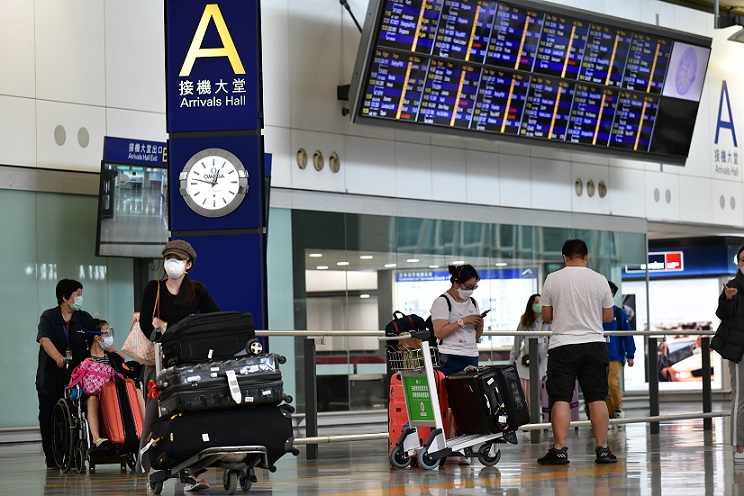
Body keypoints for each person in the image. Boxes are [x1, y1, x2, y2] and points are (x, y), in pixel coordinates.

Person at [137, 240, 220, 491]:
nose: (172, 263)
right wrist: (157, 336)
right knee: (156, 410)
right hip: (160, 360)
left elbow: (215, 315)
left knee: (191, 412)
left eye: (178, 259)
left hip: (188, 363)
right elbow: (144, 322)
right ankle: (151, 461)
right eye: (169, 257)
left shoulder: (196, 290)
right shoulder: (155, 288)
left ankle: (192, 471)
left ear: (188, 264)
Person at [538, 239, 617, 465]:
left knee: (561, 398)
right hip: (594, 344)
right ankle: (602, 449)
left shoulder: (553, 279)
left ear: (564, 257)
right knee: (596, 397)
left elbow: (545, 316)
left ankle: (560, 450)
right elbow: (609, 316)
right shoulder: (599, 279)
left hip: (563, 345)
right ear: (586, 256)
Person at [36, 278, 93, 469]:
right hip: (51, 376)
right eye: (78, 294)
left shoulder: (83, 317)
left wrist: (111, 345)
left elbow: (98, 333)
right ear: (65, 297)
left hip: (75, 377)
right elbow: (44, 340)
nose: (80, 298)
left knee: (77, 415)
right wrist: (59, 358)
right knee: (48, 418)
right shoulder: (49, 317)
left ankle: (76, 454)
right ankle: (52, 459)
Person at [430, 264, 483, 466]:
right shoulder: (442, 302)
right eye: (468, 286)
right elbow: (439, 333)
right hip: (450, 357)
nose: (470, 290)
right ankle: (446, 443)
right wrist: (463, 321)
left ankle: (463, 444)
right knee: (449, 403)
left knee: (468, 404)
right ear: (456, 283)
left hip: (471, 355)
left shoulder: (473, 302)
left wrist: (479, 325)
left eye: (474, 287)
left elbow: (477, 337)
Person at [68, 319, 145, 448]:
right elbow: (66, 377)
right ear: (96, 337)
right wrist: (82, 365)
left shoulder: (112, 357)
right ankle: (97, 439)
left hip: (113, 397)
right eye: (106, 333)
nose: (110, 336)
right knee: (93, 400)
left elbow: (127, 373)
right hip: (92, 397)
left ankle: (145, 431)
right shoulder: (82, 356)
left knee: (136, 391)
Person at [716, 245, 744, 463]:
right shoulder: (733, 287)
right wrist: (726, 299)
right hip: (739, 349)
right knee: (741, 398)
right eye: (743, 260)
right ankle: (739, 446)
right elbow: (722, 314)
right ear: (738, 263)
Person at [509, 293, 549, 412]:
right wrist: (511, 361)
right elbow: (516, 342)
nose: (539, 305)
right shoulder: (524, 322)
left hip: (543, 363)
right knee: (526, 396)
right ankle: (529, 421)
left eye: (541, 302)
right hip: (526, 363)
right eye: (537, 302)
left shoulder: (548, 322)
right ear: (531, 305)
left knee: (544, 395)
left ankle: (545, 422)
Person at [603, 281, 635, 419]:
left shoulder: (618, 313)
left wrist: (630, 354)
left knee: (612, 383)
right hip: (598, 356)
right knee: (603, 387)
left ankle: (617, 408)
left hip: (615, 355)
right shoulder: (594, 313)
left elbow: (627, 334)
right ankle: (609, 413)